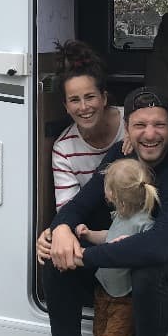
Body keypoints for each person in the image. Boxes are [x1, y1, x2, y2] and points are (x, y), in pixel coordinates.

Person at [37, 87, 168, 336]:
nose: (150, 134)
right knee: (57, 258)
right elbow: (80, 205)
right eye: (140, 125)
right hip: (114, 277)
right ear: (128, 130)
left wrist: (85, 254)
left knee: (150, 269)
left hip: (159, 287)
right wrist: (60, 231)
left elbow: (159, 246)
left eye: (159, 125)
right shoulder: (119, 158)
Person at [69, 158, 159, 336]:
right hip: (105, 292)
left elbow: (130, 247)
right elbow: (107, 237)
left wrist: (124, 246)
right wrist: (87, 235)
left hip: (125, 300)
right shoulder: (122, 216)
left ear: (112, 194)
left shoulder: (145, 224)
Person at [50, 41, 125, 211]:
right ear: (66, 107)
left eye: (90, 97)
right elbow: (68, 211)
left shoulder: (132, 123)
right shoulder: (64, 149)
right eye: (75, 100)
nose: (83, 107)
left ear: (104, 98)